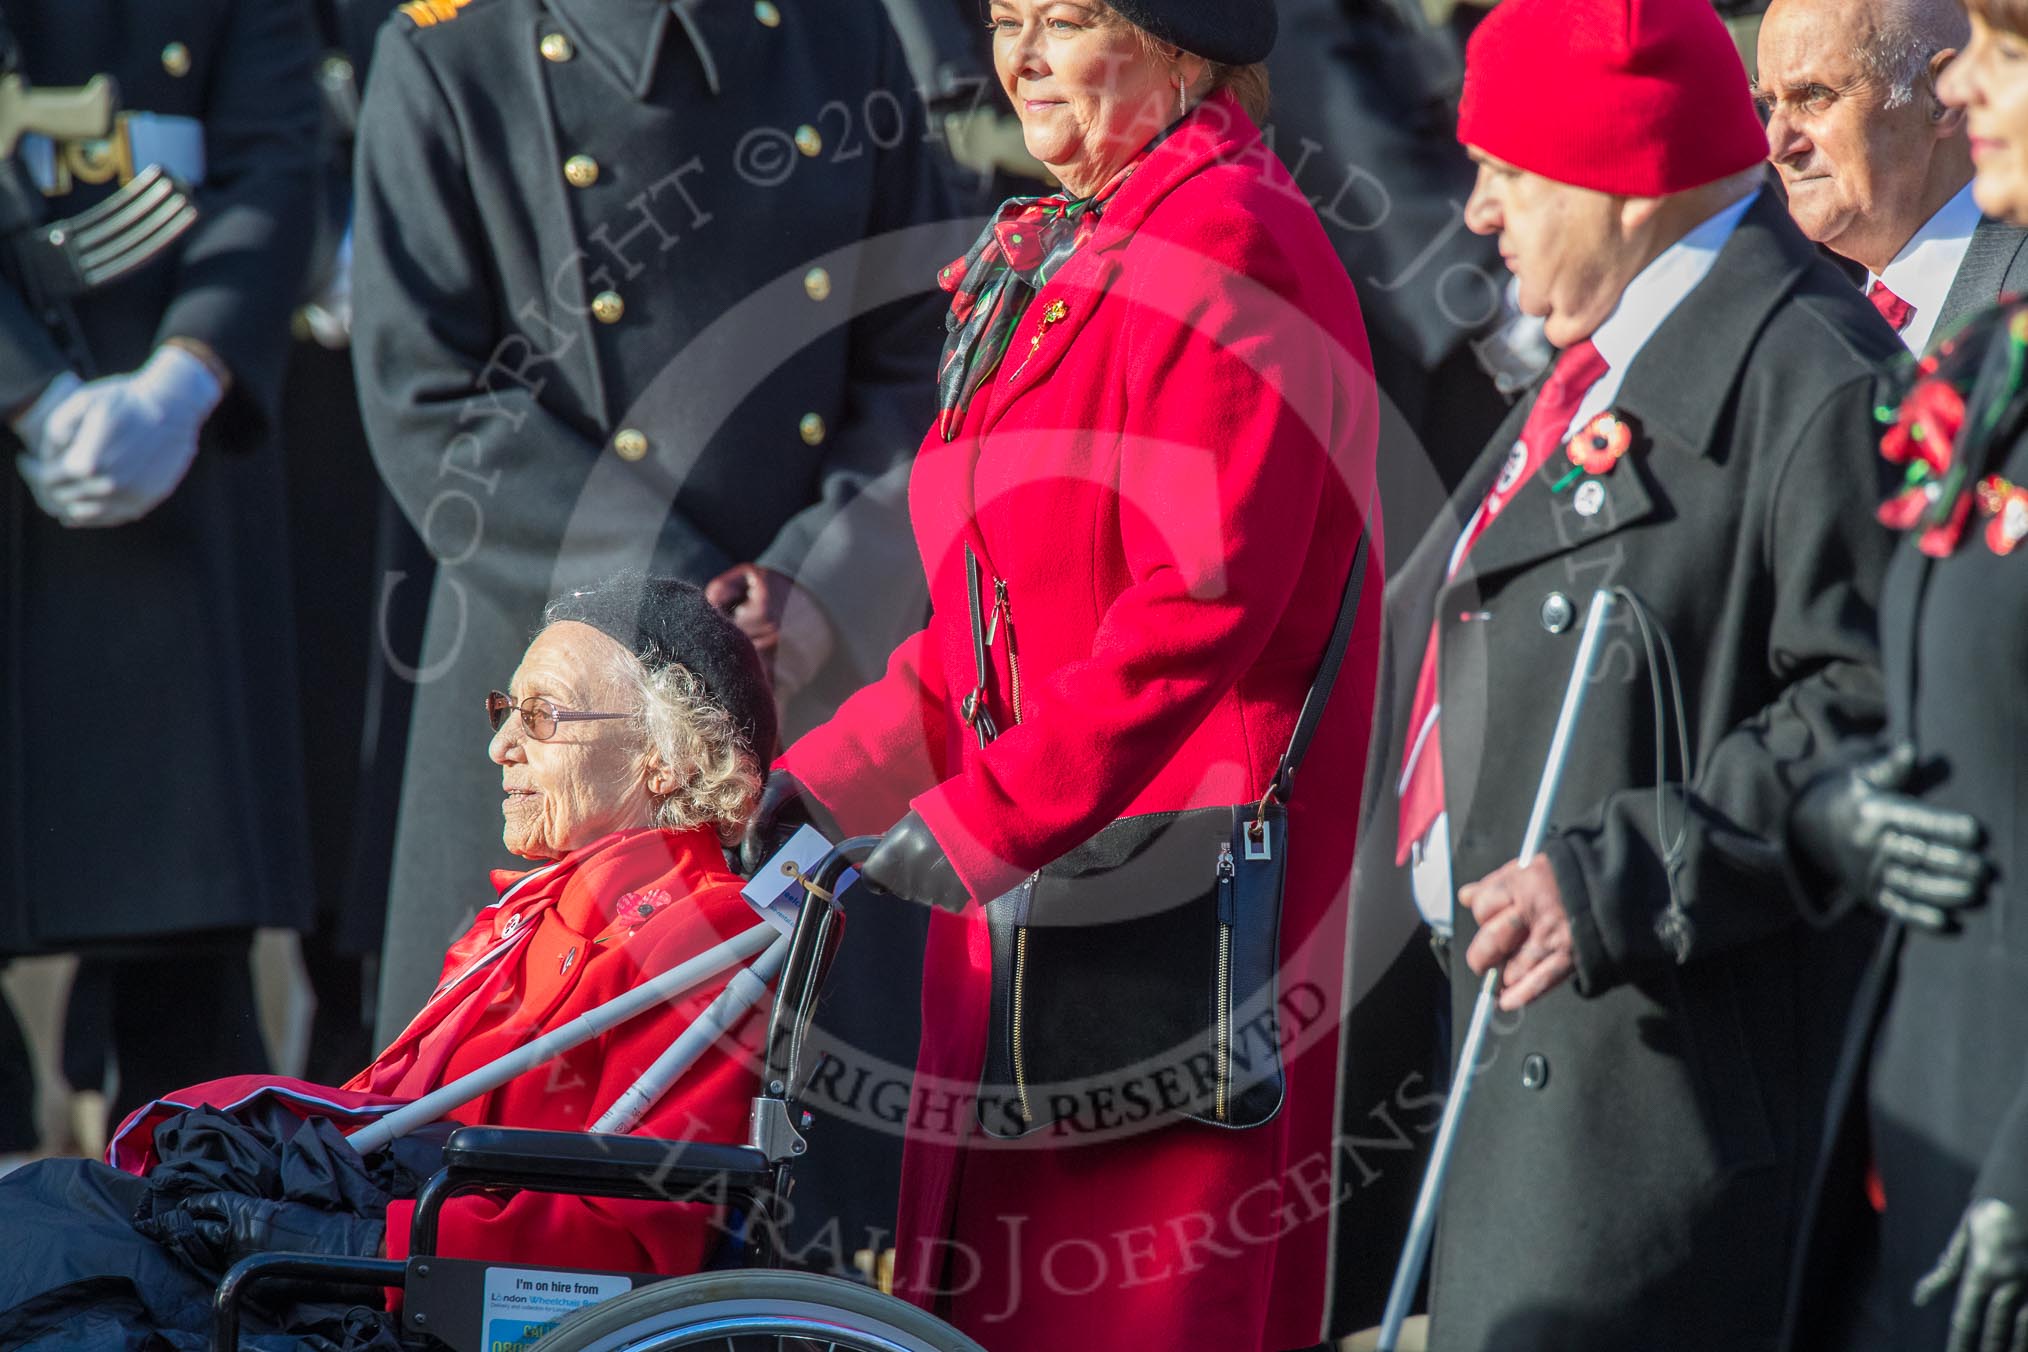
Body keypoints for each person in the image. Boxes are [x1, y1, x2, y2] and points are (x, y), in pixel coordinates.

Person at [747, 1, 1384, 1346]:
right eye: (1006, 20)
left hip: (1158, 930)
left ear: (1184, 48)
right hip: (1030, 917)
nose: (1021, 56)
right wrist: (816, 787)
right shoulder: (1085, 241)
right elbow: (980, 633)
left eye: (1069, 20)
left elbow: (1194, 618)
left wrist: (978, 822)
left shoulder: (1231, 240)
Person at [1343, 0, 1904, 1346]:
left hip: (1658, 1119)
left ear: (1622, 178)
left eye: (1510, 174)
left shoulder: (1817, 380)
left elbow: (1876, 717)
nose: (1478, 214)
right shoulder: (1595, 371)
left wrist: (1617, 876)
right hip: (1506, 1085)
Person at [352, 0, 960, 1033]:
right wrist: (667, 616)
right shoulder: (452, 47)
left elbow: (917, 346)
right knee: (504, 1138)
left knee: (822, 1134)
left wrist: (823, 575)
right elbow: (430, 394)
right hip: (552, 682)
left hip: (804, 678)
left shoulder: (841, 30)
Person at [0, 574, 784, 1346]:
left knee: (48, 1242)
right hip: (386, 1268)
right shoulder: (532, 917)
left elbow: (634, 1238)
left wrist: (350, 1242)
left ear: (666, 759)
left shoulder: (703, 932)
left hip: (428, 1292)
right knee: (49, 1211)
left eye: (540, 716)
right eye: (505, 711)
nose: (498, 745)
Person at [0, 0, 323, 1155]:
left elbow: (277, 156)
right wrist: (29, 389)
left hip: (177, 472)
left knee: (192, 970)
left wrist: (190, 377)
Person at [1782, 3, 2028, 1347]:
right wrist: (1824, 808)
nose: (1964, 81)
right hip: (1908, 1106)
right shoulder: (1992, 361)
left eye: (2005, 53)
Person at [1759, 0, 2028, 354]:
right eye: (1770, 102)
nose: (1775, 146)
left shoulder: (2017, 299)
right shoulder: (1812, 333)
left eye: (1814, 95)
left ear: (1941, 96)